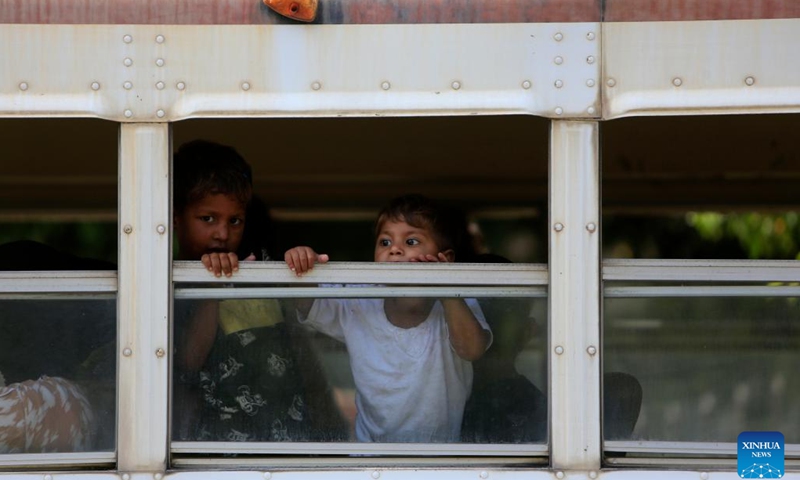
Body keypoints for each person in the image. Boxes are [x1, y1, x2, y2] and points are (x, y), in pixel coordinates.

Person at [284, 194, 492, 443]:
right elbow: (308, 303)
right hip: (371, 458)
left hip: (441, 459)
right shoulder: (361, 301)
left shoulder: (458, 304)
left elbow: (472, 349)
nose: (394, 249)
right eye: (384, 242)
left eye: (411, 240)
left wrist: (446, 288)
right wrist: (302, 263)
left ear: (445, 260)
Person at [173, 140, 327, 442]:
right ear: (175, 218)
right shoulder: (166, 279)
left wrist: (301, 263)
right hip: (219, 448)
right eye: (208, 219)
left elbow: (302, 347)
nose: (222, 233)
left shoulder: (260, 268)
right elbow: (189, 361)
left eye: (235, 221)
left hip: (290, 440)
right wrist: (213, 286)